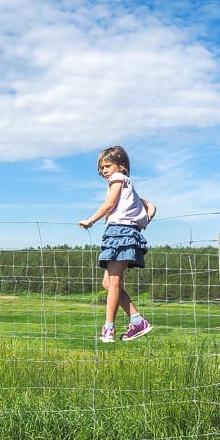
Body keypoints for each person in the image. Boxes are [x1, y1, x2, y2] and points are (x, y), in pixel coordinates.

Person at [79, 146, 154, 343]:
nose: (104, 171)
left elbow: (109, 204)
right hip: (125, 233)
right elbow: (151, 207)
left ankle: (108, 328)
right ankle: (137, 320)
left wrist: (91, 220)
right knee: (108, 283)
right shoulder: (129, 186)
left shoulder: (118, 179)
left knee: (113, 282)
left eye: (107, 166)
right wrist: (145, 219)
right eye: (101, 168)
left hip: (119, 232)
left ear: (121, 166)